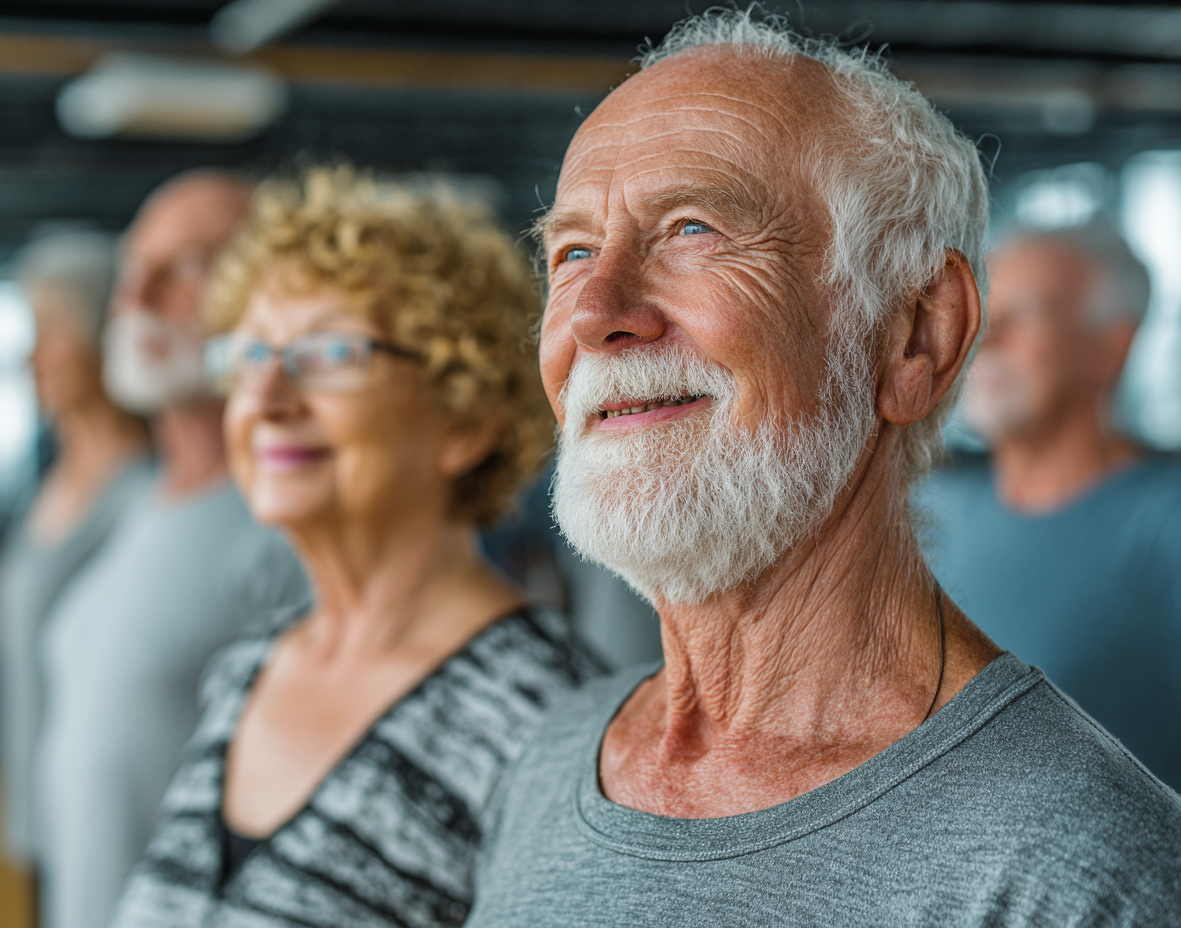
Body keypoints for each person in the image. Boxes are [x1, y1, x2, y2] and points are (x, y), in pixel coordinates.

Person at [461, 11, 1181, 928]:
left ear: (915, 335)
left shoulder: (1081, 862)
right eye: (571, 253)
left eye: (693, 229)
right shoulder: (552, 753)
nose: (596, 311)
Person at [110, 167, 604, 927]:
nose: (268, 400)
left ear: (465, 416)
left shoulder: (552, 719)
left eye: (331, 354)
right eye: (249, 356)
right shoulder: (245, 672)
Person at [35, 172, 308, 928]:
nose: (137, 299)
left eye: (187, 266)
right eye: (133, 268)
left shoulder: (289, 531)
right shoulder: (134, 506)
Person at [919, 224, 1181, 790]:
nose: (986, 341)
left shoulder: (1164, 527)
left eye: (1024, 316)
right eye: (985, 317)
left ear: (1110, 347)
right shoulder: (929, 510)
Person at [0, 229, 152, 878]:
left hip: (109, 831)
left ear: (100, 338)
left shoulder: (141, 495)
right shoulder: (49, 483)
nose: (33, 356)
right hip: (41, 818)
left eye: (50, 330)